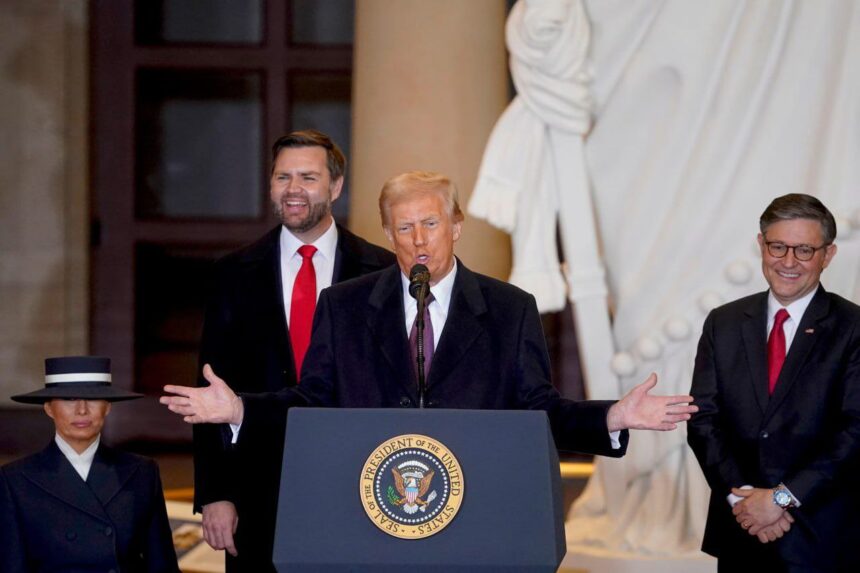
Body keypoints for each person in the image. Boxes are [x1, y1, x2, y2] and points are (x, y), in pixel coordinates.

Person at [166, 169, 695, 447]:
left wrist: (611, 417)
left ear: (456, 226)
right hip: (369, 506)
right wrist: (240, 410)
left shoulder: (509, 310)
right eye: (404, 227)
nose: (419, 240)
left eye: (431, 224)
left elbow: (539, 410)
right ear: (388, 234)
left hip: (473, 507)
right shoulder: (344, 307)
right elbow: (312, 402)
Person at [192, 129, 395, 571]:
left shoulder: (381, 270)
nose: (293, 189)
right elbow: (210, 388)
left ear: (335, 187)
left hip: (357, 482)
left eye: (308, 177)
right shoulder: (233, 273)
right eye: (283, 177)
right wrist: (216, 493)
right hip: (256, 486)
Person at [687, 194, 860, 572]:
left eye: (804, 250)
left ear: (828, 255)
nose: (788, 261)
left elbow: (855, 431)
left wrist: (782, 499)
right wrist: (745, 502)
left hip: (823, 537)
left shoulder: (853, 328)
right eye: (778, 246)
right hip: (742, 531)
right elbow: (703, 421)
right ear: (761, 245)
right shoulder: (723, 322)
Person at [0, 356, 178, 573]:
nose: (82, 410)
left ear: (107, 407)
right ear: (48, 408)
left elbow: (162, 564)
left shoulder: (142, 471)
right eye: (69, 399)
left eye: (93, 398)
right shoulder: (15, 480)